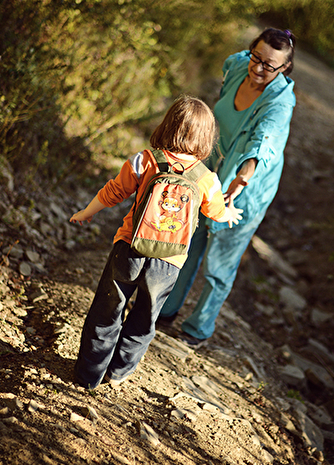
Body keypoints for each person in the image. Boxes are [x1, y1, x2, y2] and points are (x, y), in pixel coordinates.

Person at [69, 95, 243, 389]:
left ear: (168, 125)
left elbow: (114, 191)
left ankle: (88, 375)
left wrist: (87, 212)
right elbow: (215, 212)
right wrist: (229, 213)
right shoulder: (207, 178)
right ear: (207, 137)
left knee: (106, 311)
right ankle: (118, 372)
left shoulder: (145, 160)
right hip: (169, 262)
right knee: (144, 318)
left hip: (130, 248)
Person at [158, 27, 296, 345]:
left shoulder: (280, 104)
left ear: (285, 67)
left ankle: (198, 329)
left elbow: (264, 143)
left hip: (247, 187)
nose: (258, 68)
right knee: (187, 240)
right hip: (210, 171)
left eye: (269, 65)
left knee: (220, 261)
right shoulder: (237, 66)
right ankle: (165, 309)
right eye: (256, 57)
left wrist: (241, 180)